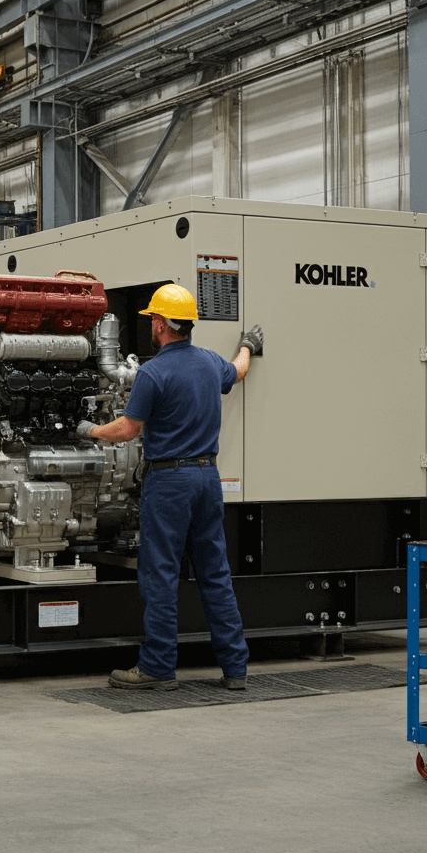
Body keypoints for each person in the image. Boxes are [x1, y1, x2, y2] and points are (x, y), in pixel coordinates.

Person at [77, 284, 263, 692]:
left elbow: (127, 430)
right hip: (207, 479)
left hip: (169, 483)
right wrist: (248, 343)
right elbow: (240, 369)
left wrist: (90, 429)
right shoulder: (210, 364)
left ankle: (159, 667)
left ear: (160, 324)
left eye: (152, 321)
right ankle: (235, 669)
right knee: (215, 573)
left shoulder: (153, 372)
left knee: (160, 573)